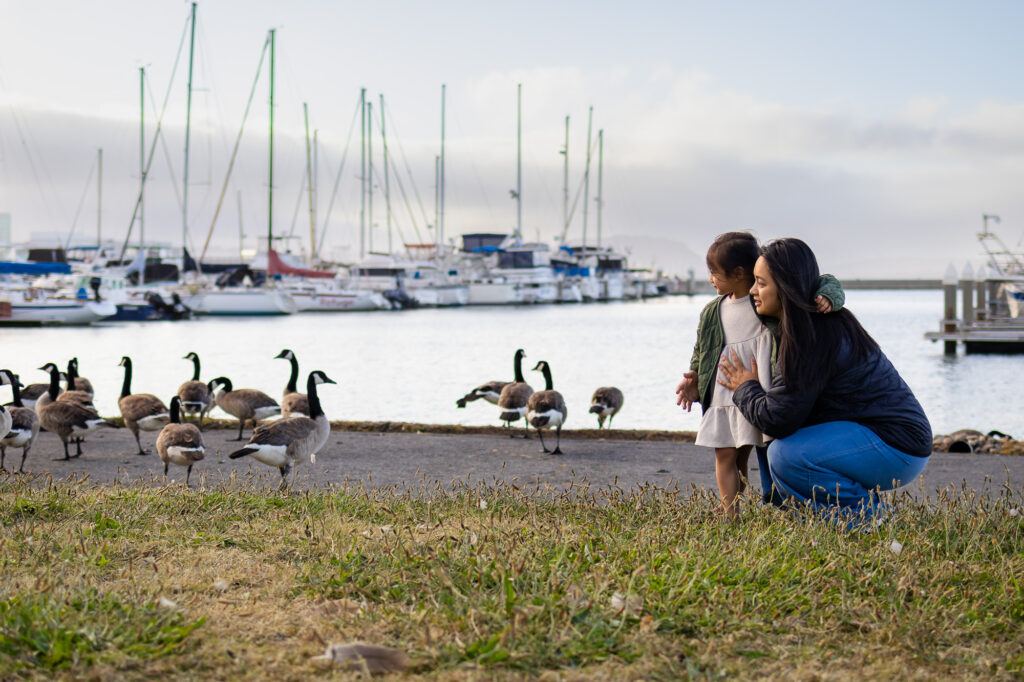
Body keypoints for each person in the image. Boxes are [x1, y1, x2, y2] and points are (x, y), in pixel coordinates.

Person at [716, 238, 931, 523]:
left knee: (784, 455)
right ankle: (819, 515)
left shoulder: (813, 334)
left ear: (787, 288)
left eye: (761, 283)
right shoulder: (802, 323)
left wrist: (745, 388)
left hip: (898, 445)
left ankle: (870, 517)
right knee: (778, 446)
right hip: (876, 437)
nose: (753, 291)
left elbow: (778, 419)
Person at [676, 232, 844, 518]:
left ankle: (779, 502)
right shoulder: (712, 311)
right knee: (727, 452)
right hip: (725, 387)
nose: (710, 279)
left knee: (765, 450)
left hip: (763, 387)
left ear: (739, 273)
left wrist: (828, 296)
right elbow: (702, 347)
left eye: (715, 273)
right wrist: (693, 377)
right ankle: (730, 508)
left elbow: (823, 281)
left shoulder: (766, 299)